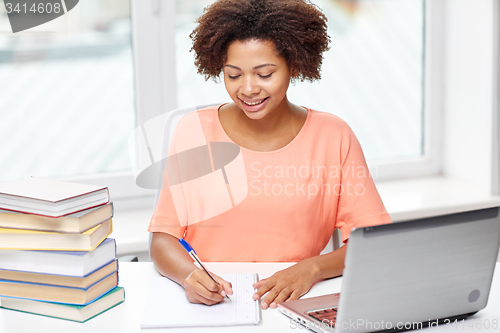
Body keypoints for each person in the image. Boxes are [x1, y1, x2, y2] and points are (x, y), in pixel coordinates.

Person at [149, 0, 391, 310]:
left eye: (264, 74)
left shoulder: (333, 136)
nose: (248, 89)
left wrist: (312, 268)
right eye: (233, 75)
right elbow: (161, 241)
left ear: (294, 64)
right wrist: (189, 275)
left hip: (294, 303)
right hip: (215, 306)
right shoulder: (193, 132)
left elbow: (373, 242)